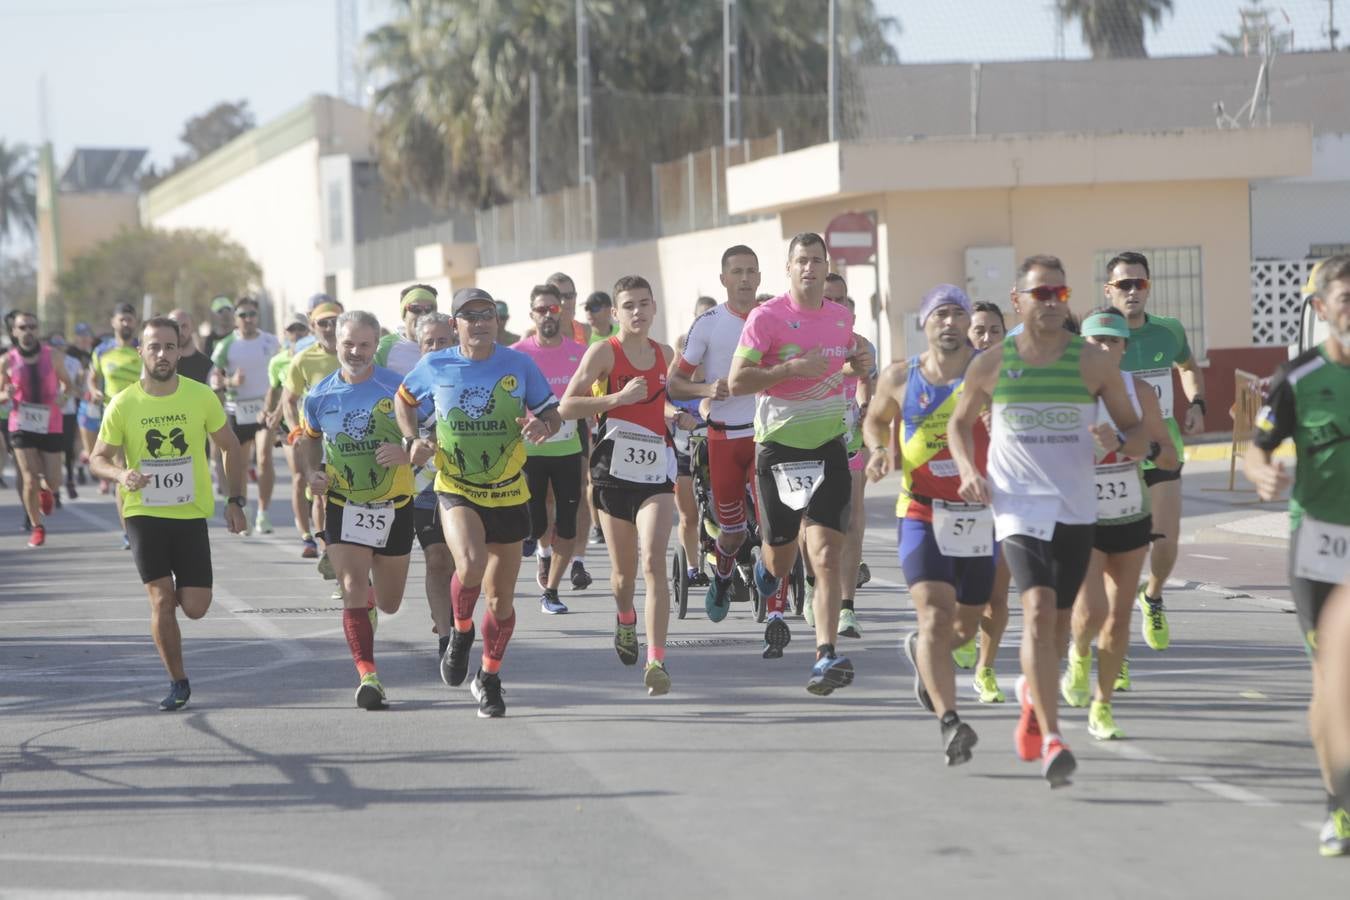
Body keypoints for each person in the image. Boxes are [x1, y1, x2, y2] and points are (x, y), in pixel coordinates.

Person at [948, 254, 1145, 787]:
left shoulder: (1092, 363)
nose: (1053, 303)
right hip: (1017, 506)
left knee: (1059, 626)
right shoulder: (992, 363)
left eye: (1060, 294)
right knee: (1035, 607)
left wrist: (1119, 441)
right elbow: (959, 425)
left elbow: (1139, 432)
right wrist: (968, 468)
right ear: (1019, 299)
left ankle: (1034, 698)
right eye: (1041, 294)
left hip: (1075, 508)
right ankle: (1056, 739)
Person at [398, 288, 562, 718]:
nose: (480, 322)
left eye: (487, 314)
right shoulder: (435, 363)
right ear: (455, 325)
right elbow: (404, 399)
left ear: (497, 320)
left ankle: (488, 678)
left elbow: (552, 412)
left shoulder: (519, 364)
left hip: (509, 489)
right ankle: (460, 632)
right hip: (456, 486)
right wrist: (413, 437)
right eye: (470, 316)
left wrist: (545, 426)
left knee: (501, 601)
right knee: (468, 565)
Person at [727, 233, 873, 694]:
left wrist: (860, 362)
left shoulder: (839, 317)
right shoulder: (766, 318)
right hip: (779, 450)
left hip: (828, 444)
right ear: (788, 268)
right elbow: (737, 381)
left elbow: (840, 366)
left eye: (817, 260)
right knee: (781, 555)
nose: (810, 268)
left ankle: (825, 654)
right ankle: (763, 570)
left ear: (826, 265)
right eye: (801, 261)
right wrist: (788, 370)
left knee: (827, 555)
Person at [1244, 253, 1350, 856]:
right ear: (1321, 309)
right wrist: (1262, 476)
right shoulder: (1298, 377)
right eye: (1346, 300)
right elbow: (1258, 448)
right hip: (1322, 544)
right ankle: (1339, 806)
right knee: (1332, 678)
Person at [89, 316, 248, 710]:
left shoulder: (200, 396)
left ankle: (171, 609)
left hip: (189, 514)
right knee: (161, 600)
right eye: (154, 346)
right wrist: (120, 473)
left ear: (180, 350)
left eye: (169, 347)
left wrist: (235, 500)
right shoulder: (123, 403)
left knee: (195, 607)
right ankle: (178, 681)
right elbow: (97, 458)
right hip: (143, 514)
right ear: (140, 351)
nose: (162, 354)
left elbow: (230, 446)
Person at [864, 285, 992, 766]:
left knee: (966, 624)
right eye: (940, 314)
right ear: (924, 324)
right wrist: (878, 450)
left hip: (977, 515)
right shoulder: (900, 376)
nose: (950, 322)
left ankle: (923, 652)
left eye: (958, 313)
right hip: (919, 511)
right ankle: (949, 722)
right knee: (936, 614)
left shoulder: (990, 373)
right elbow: (875, 421)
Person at [1060, 307, 1178, 741]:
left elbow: (1168, 456)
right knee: (1092, 608)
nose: (1104, 348)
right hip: (1081, 515)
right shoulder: (1067, 390)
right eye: (1095, 340)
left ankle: (1102, 705)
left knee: (1118, 619)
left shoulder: (1139, 392)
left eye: (1112, 341)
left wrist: (1131, 447)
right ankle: (1077, 652)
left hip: (1129, 513)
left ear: (1125, 347)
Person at [561, 275, 678, 696]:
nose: (638, 312)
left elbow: (669, 395)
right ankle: (625, 617)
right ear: (615, 313)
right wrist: (615, 400)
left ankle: (657, 661)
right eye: (628, 306)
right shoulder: (603, 353)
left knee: (653, 563)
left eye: (644, 304)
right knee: (623, 575)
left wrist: (684, 409)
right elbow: (567, 405)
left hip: (656, 474)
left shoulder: (665, 353)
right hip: (612, 473)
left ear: (654, 307)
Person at [297, 310, 417, 710]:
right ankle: (369, 675)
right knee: (351, 587)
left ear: (375, 346)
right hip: (344, 503)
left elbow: (428, 438)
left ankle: (370, 609)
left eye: (365, 344)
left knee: (389, 602)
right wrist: (314, 472)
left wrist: (406, 453)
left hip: (394, 504)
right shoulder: (319, 395)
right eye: (349, 343)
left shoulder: (397, 389)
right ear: (336, 342)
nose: (355, 352)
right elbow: (310, 440)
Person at [1103, 252, 1207, 655]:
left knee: (1165, 544)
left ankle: (1154, 596)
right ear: (1109, 289)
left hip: (1163, 451)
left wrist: (1197, 403)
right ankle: (1116, 643)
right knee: (1119, 557)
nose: (1132, 291)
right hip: (1114, 459)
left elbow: (1188, 366)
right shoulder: (1095, 340)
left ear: (1148, 287)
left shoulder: (1168, 331)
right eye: (1124, 284)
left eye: (1139, 284)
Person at [670, 245, 763, 631]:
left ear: (760, 277)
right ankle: (723, 578)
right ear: (724, 279)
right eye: (737, 272)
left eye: (751, 271)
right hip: (723, 440)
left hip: (766, 437)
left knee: (774, 524)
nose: (744, 279)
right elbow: (675, 383)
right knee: (733, 531)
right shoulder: (708, 323)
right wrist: (707, 390)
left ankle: (776, 602)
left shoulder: (770, 317)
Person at [513, 285, 587, 615]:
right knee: (538, 515)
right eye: (541, 309)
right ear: (531, 315)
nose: (547, 315)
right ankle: (543, 553)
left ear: (563, 312)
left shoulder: (579, 352)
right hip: (530, 447)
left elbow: (590, 393)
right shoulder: (517, 353)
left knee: (568, 518)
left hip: (569, 446)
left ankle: (552, 590)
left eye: (553, 309)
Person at [956, 300, 1014, 700]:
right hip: (959, 495)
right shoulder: (950, 380)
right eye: (980, 330)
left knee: (997, 593)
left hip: (1006, 494)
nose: (987, 338)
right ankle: (962, 631)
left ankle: (986, 669)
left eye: (995, 330)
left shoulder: (1018, 377)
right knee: (963, 589)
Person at [823, 274, 876, 639]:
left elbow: (864, 379)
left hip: (848, 439)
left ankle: (846, 609)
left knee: (854, 521)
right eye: (830, 298)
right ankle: (812, 581)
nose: (837, 305)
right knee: (814, 524)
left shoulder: (859, 343)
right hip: (806, 439)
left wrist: (862, 405)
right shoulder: (800, 338)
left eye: (842, 298)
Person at [406, 311, 458, 671]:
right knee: (437, 559)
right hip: (422, 487)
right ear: (419, 347)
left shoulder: (469, 378)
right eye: (430, 343)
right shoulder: (406, 387)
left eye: (444, 341)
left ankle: (457, 620)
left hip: (467, 486)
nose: (437, 348)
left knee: (463, 566)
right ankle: (447, 638)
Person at [0, 312, 75, 546]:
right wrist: (5, 394)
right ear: (14, 331)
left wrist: (63, 396)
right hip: (21, 423)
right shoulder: (7, 360)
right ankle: (37, 526)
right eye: (23, 327)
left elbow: (68, 385)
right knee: (29, 478)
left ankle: (47, 490)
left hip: (50, 422)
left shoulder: (52, 356)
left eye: (32, 326)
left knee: (54, 480)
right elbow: (1, 393)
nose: (28, 331)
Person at [211, 296, 282, 534]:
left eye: (252, 314)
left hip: (264, 409)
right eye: (243, 315)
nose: (248, 319)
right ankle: (243, 510)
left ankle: (263, 512)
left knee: (263, 458)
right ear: (235, 318)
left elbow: (283, 370)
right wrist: (231, 381)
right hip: (237, 410)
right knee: (239, 464)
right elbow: (214, 379)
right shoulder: (226, 345)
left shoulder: (271, 341)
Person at [283, 299, 343, 573]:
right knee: (319, 494)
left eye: (335, 321)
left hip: (352, 438)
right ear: (312, 327)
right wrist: (296, 431)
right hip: (316, 438)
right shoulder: (303, 359)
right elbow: (289, 399)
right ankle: (327, 551)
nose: (330, 328)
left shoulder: (354, 352)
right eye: (323, 323)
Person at [90, 303, 143, 548]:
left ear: (135, 322)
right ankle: (128, 530)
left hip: (142, 416)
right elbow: (92, 379)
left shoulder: (142, 349)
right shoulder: (102, 351)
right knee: (122, 472)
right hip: (113, 418)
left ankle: (148, 520)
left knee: (143, 468)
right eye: (122, 319)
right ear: (113, 322)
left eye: (130, 319)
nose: (126, 324)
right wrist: (93, 391)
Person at [265, 313, 317, 556]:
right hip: (291, 425)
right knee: (299, 476)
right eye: (291, 329)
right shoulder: (278, 362)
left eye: (300, 328)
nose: (296, 332)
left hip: (316, 426)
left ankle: (322, 532)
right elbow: (277, 393)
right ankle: (306, 535)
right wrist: (270, 413)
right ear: (285, 334)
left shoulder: (314, 356)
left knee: (318, 480)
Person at [48, 333, 85, 499]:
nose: (57, 348)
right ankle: (54, 490)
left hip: (67, 411)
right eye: (54, 345)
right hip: (48, 413)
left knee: (69, 449)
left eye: (60, 344)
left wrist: (69, 395)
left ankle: (70, 479)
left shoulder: (74, 362)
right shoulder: (43, 361)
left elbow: (78, 388)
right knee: (52, 450)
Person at [375, 284, 437, 376]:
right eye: (416, 308)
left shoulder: (447, 344)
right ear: (404, 315)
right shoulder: (383, 348)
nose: (423, 314)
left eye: (429, 309)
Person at [169, 308, 214, 384]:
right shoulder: (162, 362)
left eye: (184, 326)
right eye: (175, 326)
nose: (179, 331)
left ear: (192, 328)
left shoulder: (206, 365)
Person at [201, 295, 236, 360]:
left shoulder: (241, 335)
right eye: (220, 311)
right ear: (213, 315)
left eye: (228, 309)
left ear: (233, 312)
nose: (225, 314)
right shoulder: (210, 340)